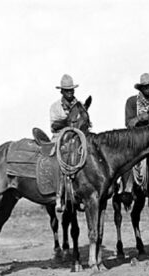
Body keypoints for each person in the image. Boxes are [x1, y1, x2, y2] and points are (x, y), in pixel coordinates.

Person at [50, 74, 91, 212]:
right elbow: (54, 125)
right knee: (59, 157)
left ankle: (81, 191)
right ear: (61, 91)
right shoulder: (55, 107)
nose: (70, 93)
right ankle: (58, 195)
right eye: (67, 90)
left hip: (76, 136)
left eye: (72, 90)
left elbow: (85, 121)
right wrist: (68, 120)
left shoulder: (79, 105)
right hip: (60, 137)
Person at [121, 73, 149, 196]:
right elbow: (129, 123)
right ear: (141, 88)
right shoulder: (131, 101)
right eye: (145, 86)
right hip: (136, 137)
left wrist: (144, 118)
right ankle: (125, 186)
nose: (148, 88)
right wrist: (143, 118)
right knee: (125, 157)